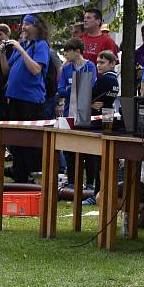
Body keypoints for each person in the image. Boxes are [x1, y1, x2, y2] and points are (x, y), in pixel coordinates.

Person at [0, 14, 50, 183]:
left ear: (36, 26)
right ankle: (19, 171)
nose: (23, 27)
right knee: (15, 139)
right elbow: (6, 71)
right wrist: (2, 55)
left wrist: (21, 50)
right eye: (23, 24)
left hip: (30, 101)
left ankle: (29, 173)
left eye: (27, 24)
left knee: (28, 139)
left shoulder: (40, 45)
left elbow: (36, 69)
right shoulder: (22, 44)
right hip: (14, 99)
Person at [57, 38, 97, 190]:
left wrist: (72, 88)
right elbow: (60, 89)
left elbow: (91, 86)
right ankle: (73, 182)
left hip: (86, 113)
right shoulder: (66, 69)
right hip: (69, 113)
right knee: (70, 150)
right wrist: (74, 88)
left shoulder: (90, 66)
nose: (66, 54)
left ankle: (89, 184)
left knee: (88, 150)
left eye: (68, 51)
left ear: (77, 51)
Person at [82, 50, 121, 205]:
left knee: (98, 160)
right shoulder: (114, 81)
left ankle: (97, 193)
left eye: (102, 62)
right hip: (107, 117)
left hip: (98, 121)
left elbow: (88, 97)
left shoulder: (105, 80)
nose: (98, 65)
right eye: (97, 62)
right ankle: (98, 192)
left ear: (112, 63)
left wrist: (89, 102)